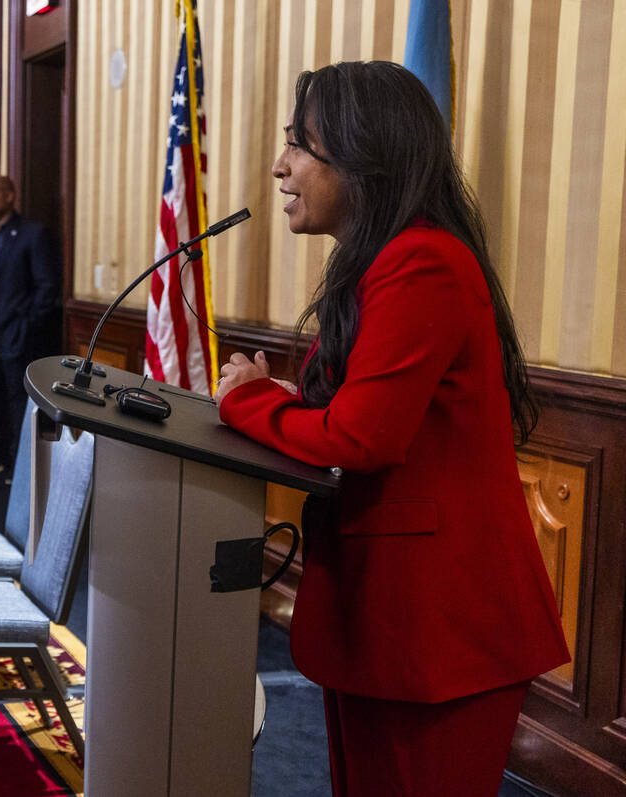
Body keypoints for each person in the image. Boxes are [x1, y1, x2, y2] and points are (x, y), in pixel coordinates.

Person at [213, 61, 569, 796]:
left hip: (438, 623)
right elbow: (375, 409)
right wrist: (286, 396)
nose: (280, 166)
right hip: (388, 614)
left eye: (298, 144)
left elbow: (360, 437)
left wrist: (246, 401)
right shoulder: (384, 259)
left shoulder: (422, 261)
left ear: (361, 154)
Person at [0, 174, 60, 474]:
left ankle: (18, 465)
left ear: (9, 196)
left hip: (16, 332)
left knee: (18, 400)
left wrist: (27, 323)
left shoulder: (32, 234)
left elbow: (47, 286)